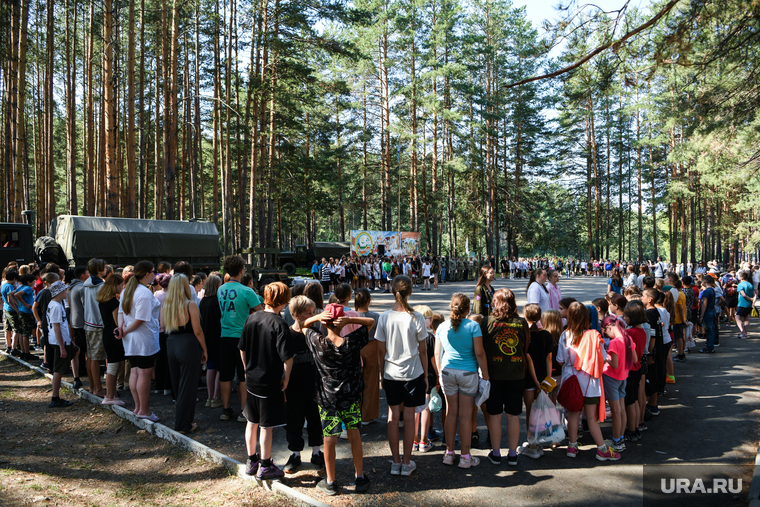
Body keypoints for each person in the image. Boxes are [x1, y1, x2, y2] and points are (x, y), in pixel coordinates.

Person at [302, 303, 375, 495]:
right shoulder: (352, 342)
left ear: (325, 323)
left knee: (329, 438)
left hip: (327, 398)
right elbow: (371, 322)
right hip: (349, 398)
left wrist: (317, 318)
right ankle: (359, 477)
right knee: (354, 434)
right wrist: (351, 319)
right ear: (342, 323)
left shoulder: (318, 342)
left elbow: (304, 326)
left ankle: (331, 481)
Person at [239, 282, 293, 481]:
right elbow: (287, 357)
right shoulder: (279, 324)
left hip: (252, 378)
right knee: (266, 426)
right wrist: (286, 377)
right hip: (269, 381)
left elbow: (242, 348)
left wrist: (246, 369)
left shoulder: (252, 317)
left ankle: (251, 459)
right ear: (283, 300)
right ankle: (265, 464)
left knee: (251, 421)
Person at [375, 275, 428, 477]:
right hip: (413, 373)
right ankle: (406, 462)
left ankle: (395, 462)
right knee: (409, 416)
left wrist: (382, 373)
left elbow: (381, 351)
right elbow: (423, 351)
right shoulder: (417, 317)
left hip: (390, 373)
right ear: (411, 292)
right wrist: (425, 376)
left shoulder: (384, 317)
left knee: (392, 416)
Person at [557, 302, 619, 461]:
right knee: (591, 418)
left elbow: (560, 360)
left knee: (573, 414)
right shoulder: (594, 335)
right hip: (590, 383)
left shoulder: (565, 335)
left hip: (571, 381)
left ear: (569, 316)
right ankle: (601, 449)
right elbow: (604, 358)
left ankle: (572, 446)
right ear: (586, 317)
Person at [435, 292, 489, 469]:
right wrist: (486, 375)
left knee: (451, 413)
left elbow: (437, 353)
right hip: (468, 372)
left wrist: (439, 373)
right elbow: (479, 353)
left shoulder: (442, 326)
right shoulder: (473, 326)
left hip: (447, 372)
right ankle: (465, 457)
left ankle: (449, 454)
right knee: (466, 415)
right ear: (468, 309)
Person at [218, 255, 264, 422]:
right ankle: (243, 411)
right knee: (243, 375)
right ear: (241, 270)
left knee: (225, 375)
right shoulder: (246, 291)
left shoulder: (220, 289)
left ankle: (226, 408)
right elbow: (260, 313)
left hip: (224, 337)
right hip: (242, 338)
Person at [282, 295, 325, 475]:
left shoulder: (316, 334)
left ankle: (316, 452)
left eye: (313, 311)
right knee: (294, 422)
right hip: (293, 388)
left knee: (315, 420)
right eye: (308, 313)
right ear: (296, 315)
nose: (313, 315)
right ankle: (295, 454)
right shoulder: (287, 336)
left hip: (314, 387)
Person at [161, 275, 208, 434]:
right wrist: (205, 349)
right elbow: (198, 331)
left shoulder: (166, 305)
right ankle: (183, 425)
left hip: (171, 344)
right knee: (188, 388)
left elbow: (162, 325)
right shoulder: (191, 305)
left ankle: (184, 422)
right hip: (188, 344)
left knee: (178, 387)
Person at [116, 261, 161, 422]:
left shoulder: (128, 289)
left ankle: (138, 407)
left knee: (135, 371)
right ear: (147, 274)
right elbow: (141, 318)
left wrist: (121, 329)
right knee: (143, 374)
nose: (155, 274)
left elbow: (121, 312)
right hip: (143, 338)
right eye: (153, 272)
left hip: (131, 338)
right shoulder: (143, 292)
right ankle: (144, 409)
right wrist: (125, 330)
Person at [519, 303, 552, 460]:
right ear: (540, 317)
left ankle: (532, 442)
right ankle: (539, 440)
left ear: (525, 316)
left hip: (529, 378)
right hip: (543, 378)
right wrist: (546, 379)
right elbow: (549, 358)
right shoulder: (546, 335)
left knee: (530, 411)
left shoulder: (526, 336)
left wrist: (536, 381)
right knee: (539, 411)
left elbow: (529, 360)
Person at [600, 315, 637, 452]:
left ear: (608, 327)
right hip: (623, 378)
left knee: (616, 411)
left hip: (612, 378)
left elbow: (614, 365)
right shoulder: (628, 338)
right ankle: (620, 437)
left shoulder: (614, 343)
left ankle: (616, 441)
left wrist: (606, 358)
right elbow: (635, 358)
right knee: (621, 410)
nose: (606, 335)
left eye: (605, 332)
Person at [46, 281, 80, 408]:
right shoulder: (55, 306)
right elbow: (56, 327)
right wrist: (62, 347)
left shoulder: (57, 304)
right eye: (65, 290)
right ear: (59, 292)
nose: (67, 292)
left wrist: (69, 340)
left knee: (76, 351)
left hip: (63, 340)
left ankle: (76, 379)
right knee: (58, 370)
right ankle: (55, 397)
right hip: (58, 341)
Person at [98, 274, 125, 406]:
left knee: (113, 365)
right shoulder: (113, 302)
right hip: (114, 333)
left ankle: (112, 394)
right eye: (120, 285)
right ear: (115, 285)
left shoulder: (103, 300)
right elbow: (117, 321)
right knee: (113, 366)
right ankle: (109, 395)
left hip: (107, 332)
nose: (122, 287)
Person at [622, 301, 647, 441]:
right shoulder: (642, 331)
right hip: (637, 368)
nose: (624, 319)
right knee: (635, 399)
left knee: (629, 401)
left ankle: (631, 430)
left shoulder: (630, 332)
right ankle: (636, 426)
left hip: (630, 368)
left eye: (625, 317)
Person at [354, 288, 380, 424]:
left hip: (356, 348)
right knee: (371, 382)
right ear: (369, 300)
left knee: (356, 381)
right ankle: (367, 415)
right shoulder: (375, 317)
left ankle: (355, 412)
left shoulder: (352, 316)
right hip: (372, 348)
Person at [82, 258, 108, 397]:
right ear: (99, 270)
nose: (106, 269)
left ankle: (93, 386)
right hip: (98, 324)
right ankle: (98, 388)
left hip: (88, 323)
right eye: (104, 268)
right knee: (96, 358)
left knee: (91, 357)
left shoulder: (86, 283)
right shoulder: (101, 286)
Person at [199, 275, 223, 408]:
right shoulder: (217, 301)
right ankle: (216, 396)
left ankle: (209, 397)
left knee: (210, 367)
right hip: (218, 337)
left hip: (206, 338)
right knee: (219, 367)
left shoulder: (203, 301)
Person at [736, 271, 754, 339]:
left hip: (742, 304)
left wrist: (750, 299)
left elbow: (743, 295)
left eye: (738, 276)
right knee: (746, 318)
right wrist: (753, 301)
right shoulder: (750, 284)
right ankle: (745, 333)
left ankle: (743, 332)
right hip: (749, 305)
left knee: (737, 318)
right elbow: (754, 294)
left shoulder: (740, 284)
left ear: (741, 277)